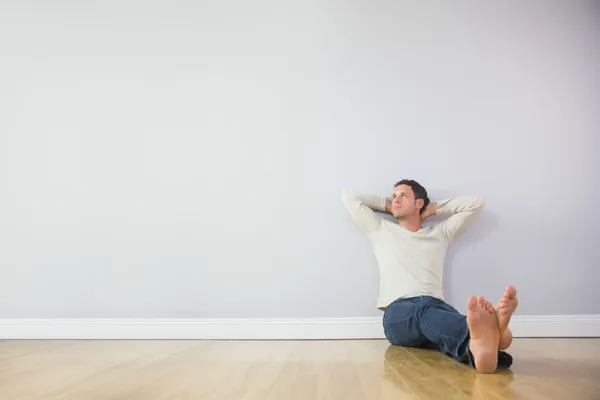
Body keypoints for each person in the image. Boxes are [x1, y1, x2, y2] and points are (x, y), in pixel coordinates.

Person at [341, 179, 518, 373]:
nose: (396, 200)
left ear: (418, 203)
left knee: (439, 321)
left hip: (437, 308)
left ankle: (479, 347)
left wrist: (432, 209)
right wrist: (388, 205)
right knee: (424, 310)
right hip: (398, 314)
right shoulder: (381, 229)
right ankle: (490, 331)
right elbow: (350, 197)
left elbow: (476, 203)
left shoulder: (440, 233)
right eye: (394, 196)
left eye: (403, 196)